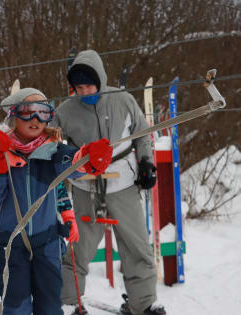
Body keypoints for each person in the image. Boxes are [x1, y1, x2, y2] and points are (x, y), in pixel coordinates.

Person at [0, 88, 113, 315]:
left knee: (50, 305)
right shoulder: (1, 153)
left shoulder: (53, 152)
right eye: (28, 111)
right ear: (14, 116)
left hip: (47, 244)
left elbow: (68, 169)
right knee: (16, 305)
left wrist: (87, 159)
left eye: (42, 112)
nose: (35, 119)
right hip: (11, 245)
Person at [51, 50, 166, 315]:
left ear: (100, 79)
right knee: (78, 248)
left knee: (136, 246)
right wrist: (66, 163)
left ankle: (143, 303)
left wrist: (147, 163)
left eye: (89, 85)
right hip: (85, 187)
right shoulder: (65, 111)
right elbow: (52, 145)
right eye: (79, 87)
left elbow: (143, 134)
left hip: (123, 183)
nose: (84, 90)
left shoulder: (123, 100)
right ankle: (70, 302)